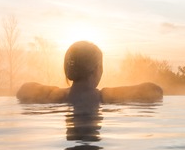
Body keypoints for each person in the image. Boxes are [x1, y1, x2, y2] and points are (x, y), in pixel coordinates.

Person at [16, 41, 163, 106]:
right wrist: (112, 93)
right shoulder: (103, 97)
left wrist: (55, 91)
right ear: (98, 68)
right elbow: (154, 91)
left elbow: (24, 90)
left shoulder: (56, 96)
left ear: (67, 69)